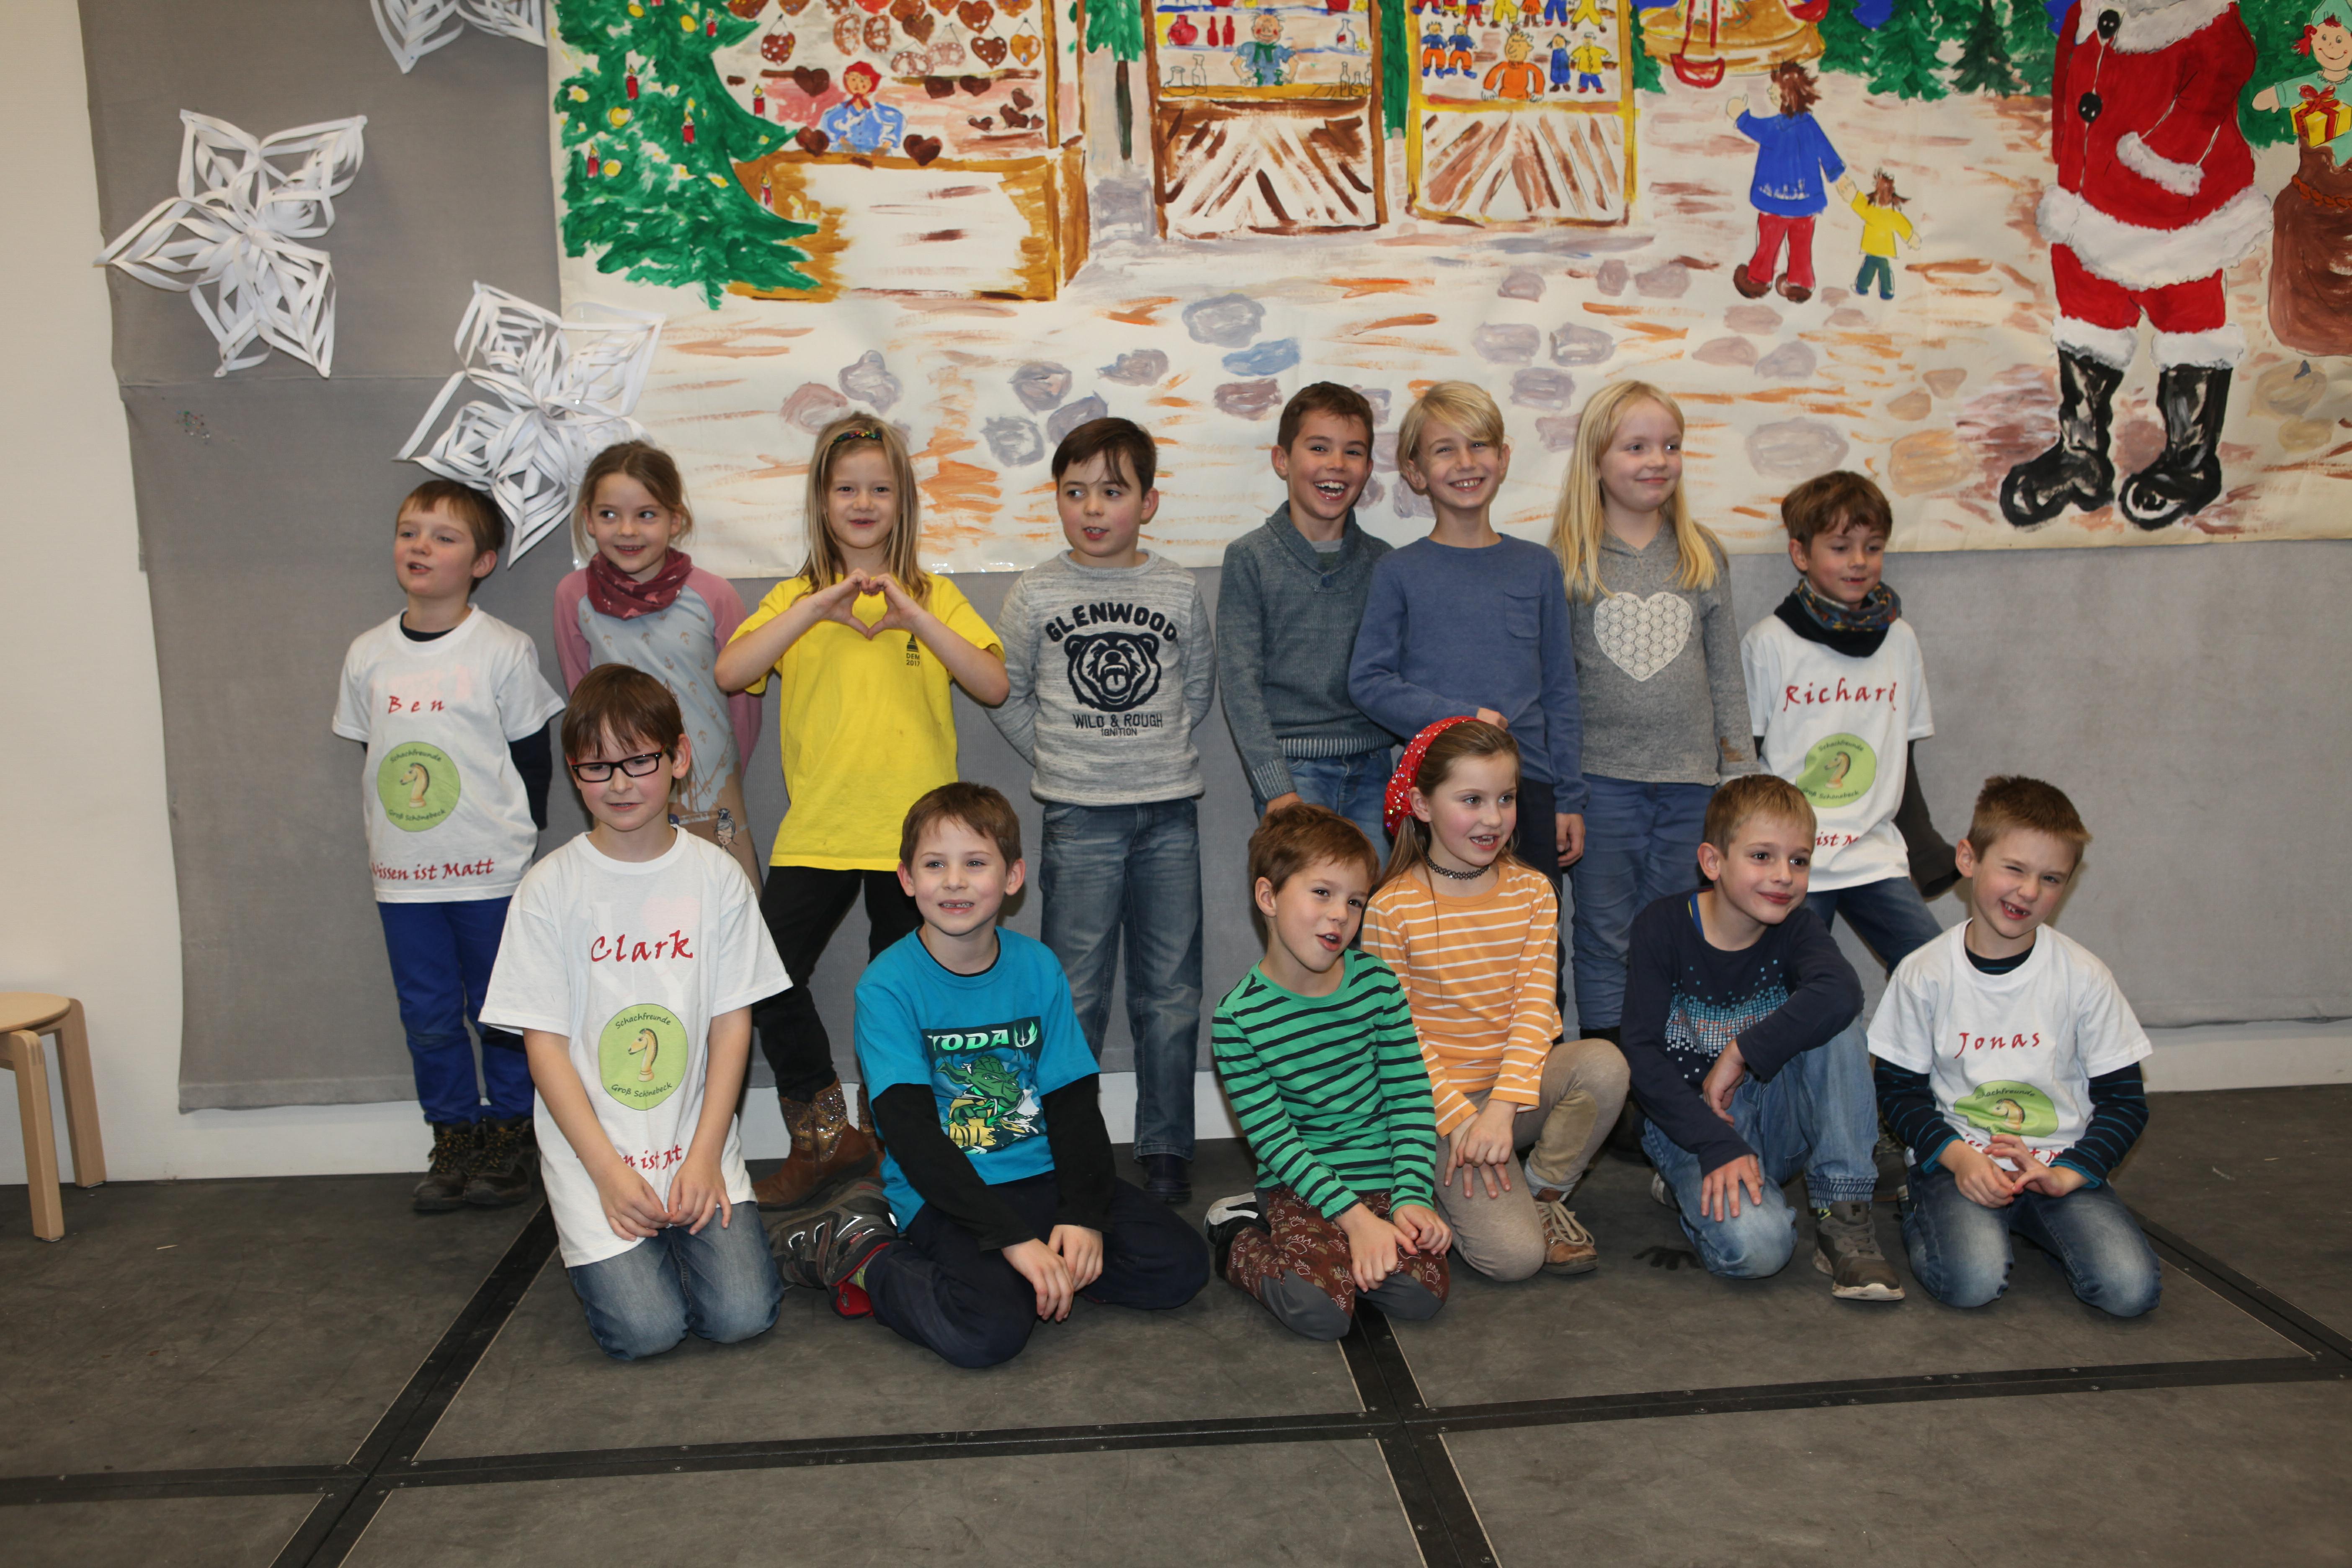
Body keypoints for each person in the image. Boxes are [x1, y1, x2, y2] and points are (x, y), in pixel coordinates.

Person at [774, 784, 1211, 1369]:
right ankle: (862, 1253)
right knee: (987, 1331)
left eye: (976, 863)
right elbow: (912, 1137)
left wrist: (1082, 1215)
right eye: (935, 865)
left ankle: (1040, 1276)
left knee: (1180, 1266)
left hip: (1043, 1176)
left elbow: (1074, 1105)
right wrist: (1011, 1238)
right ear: (907, 879)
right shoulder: (887, 985)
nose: (954, 882)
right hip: (945, 1193)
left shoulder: (1038, 967)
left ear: (1013, 877)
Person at [716, 413, 1008, 1210]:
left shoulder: (933, 595)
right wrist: (818, 608)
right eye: (846, 488)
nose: (863, 503)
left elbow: (992, 683)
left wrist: (914, 616)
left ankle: (896, 1139)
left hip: (918, 845)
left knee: (903, 992)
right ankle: (824, 1137)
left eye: (880, 489)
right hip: (819, 829)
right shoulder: (795, 600)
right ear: (822, 500)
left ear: (902, 500)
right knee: (763, 968)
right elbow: (732, 670)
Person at [480, 666, 787, 1359]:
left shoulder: (718, 877)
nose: (619, 784)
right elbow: (544, 1046)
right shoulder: (548, 888)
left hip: (694, 1144)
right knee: (647, 1331)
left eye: (639, 761)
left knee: (742, 1315)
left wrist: (704, 1155)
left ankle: (679, 1241)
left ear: (678, 757)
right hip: (596, 1154)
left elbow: (731, 1024)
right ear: (574, 772)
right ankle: (619, 1246)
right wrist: (608, 1174)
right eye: (597, 767)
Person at [986, 418, 1216, 1206]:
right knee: (1076, 992)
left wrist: (1149, 749)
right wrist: (1058, 753)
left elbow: (1196, 692)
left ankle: (1167, 1148)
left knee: (1171, 992)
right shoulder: (1035, 592)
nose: (1092, 508)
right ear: (1056, 498)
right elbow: (1008, 693)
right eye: (1075, 491)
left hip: (1169, 814)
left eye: (1112, 492)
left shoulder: (1178, 590)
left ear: (1147, 502)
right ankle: (1069, 1146)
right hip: (1079, 818)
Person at [333, 480, 567, 1214]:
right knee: (429, 1016)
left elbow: (531, 757)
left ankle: (512, 1135)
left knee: (502, 1011)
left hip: (490, 876)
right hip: (404, 880)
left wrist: (514, 841)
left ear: (483, 561)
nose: (421, 547)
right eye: (410, 531)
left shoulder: (503, 649)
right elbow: (375, 751)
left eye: (444, 536)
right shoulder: (368, 654)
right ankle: (455, 1136)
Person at [1871, 777, 2160, 1317]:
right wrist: (1959, 1158)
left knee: (2130, 1291)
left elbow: (2125, 1103)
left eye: (2050, 879)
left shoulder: (2085, 977)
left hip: (2056, 1164)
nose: (2028, 891)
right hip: (1960, 1161)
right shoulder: (1923, 974)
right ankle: (1926, 1205)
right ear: (1968, 859)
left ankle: (2030, 1215)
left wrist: (2069, 1174)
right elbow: (1899, 1093)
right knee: (1971, 1283)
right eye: (2014, 869)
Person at [1364, 720, 1628, 1279]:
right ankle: (1423, 1184)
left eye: (1505, 799)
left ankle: (1543, 1195)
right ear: (1422, 805)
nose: (1493, 818)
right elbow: (1398, 1038)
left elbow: (1535, 1010)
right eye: (1472, 800)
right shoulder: (1391, 908)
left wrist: (1501, 1112)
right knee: (1514, 1261)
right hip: (1433, 1112)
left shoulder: (1533, 892)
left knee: (1604, 1066)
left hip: (1512, 1102)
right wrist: (1462, 1121)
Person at [1621, 775, 1900, 1299]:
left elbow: (1842, 992)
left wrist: (1742, 1050)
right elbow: (1641, 1055)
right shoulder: (1662, 927)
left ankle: (1843, 1216)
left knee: (1836, 1016)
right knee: (1759, 1250)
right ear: (1713, 862)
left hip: (1776, 1115)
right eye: (1762, 857)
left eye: (1799, 860)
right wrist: (1714, 1143)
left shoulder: (1798, 928)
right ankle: (1692, 1186)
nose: (1784, 876)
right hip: (1692, 1123)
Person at [1548, 380, 1755, 1051]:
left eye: (1670, 445)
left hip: (1692, 781)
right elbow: (1557, 687)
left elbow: (1725, 672)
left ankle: (1666, 1063)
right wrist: (1564, 790)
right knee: (1604, 932)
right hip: (1601, 783)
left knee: (1675, 925)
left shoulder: (1701, 552)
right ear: (1597, 460)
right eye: (1636, 447)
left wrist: (1739, 775)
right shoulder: (1566, 561)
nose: (1657, 461)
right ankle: (1612, 1070)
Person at [1206, 804, 1450, 1341]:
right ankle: (1239, 1233)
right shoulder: (1238, 1018)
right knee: (1318, 1311)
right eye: (1322, 892)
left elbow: (1410, 1099)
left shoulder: (1378, 986)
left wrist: (1412, 1196)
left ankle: (1341, 1257)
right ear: (1269, 897)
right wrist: (1355, 1221)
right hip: (1301, 1188)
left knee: (1422, 1294)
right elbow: (1275, 1142)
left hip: (1381, 1179)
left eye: (1355, 901)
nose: (1340, 914)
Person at [1349, 381, 1585, 889]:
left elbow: (1561, 692)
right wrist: (1460, 717)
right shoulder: (1398, 573)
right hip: (1437, 795)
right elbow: (1368, 681)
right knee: (1439, 930)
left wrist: (1569, 798)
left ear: (1503, 458)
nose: (1465, 462)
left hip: (1529, 789)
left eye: (1479, 444)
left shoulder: (1538, 567)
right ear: (1415, 472)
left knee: (1533, 925)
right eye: (1444, 449)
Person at [1741, 471, 1952, 1032]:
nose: (1859, 561)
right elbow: (1745, 763)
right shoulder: (1769, 642)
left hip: (1873, 855)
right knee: (1800, 996)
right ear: (1800, 554)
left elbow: (1904, 757)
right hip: (1795, 862)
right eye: (1840, 547)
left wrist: (1926, 850)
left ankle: (1909, 1081)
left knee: (1939, 975)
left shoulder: (1901, 640)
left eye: (1873, 547)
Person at [554, 441, 763, 889]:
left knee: (720, 900)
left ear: (676, 520)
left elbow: (743, 706)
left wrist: (718, 774)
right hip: (624, 786)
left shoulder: (715, 596)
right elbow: (581, 698)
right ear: (588, 519)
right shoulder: (574, 596)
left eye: (646, 514)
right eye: (609, 514)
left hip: (708, 786)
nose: (627, 530)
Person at [1216, 382, 1393, 847]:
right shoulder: (1250, 558)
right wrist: (1277, 789)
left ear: (1368, 468)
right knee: (1307, 891)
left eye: (1353, 452)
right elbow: (1239, 684)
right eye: (1319, 448)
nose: (1336, 463)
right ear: (1282, 460)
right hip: (1293, 775)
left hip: (1375, 770)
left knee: (1375, 891)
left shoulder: (1384, 563)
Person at [1727, 60, 1845, 304]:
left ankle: (1758, 279)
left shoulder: (1775, 128)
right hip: (1806, 204)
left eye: (1776, 89)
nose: (1771, 92)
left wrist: (1740, 115)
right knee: (1802, 246)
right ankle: (1800, 284)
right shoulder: (1810, 125)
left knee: (1768, 244)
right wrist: (1836, 174)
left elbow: (1755, 128)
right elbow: (1827, 152)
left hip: (1774, 203)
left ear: (1788, 95)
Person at [1836, 170, 1920, 303]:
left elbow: (1904, 227)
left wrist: (1851, 193)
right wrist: (1912, 239)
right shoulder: (1884, 213)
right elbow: (1904, 228)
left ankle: (1866, 288)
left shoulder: (1880, 213)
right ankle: (1883, 291)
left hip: (1874, 249)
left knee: (1873, 269)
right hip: (1881, 250)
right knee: (1879, 269)